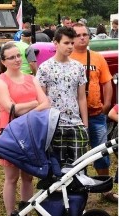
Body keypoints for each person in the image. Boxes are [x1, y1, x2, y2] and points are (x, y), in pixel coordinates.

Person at [0, 42, 50, 216]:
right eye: (11, 57)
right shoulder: (1, 81)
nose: (17, 60)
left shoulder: (31, 78)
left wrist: (28, 106)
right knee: (11, 177)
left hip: (31, 131)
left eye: (19, 55)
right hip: (10, 131)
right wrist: (34, 104)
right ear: (3, 61)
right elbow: (11, 109)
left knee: (28, 176)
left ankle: (26, 215)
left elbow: (46, 103)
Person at [70, 23, 115, 203]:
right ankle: (80, 189)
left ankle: (105, 189)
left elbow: (107, 83)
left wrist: (106, 105)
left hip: (96, 114)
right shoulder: (67, 58)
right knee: (78, 154)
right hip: (74, 117)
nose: (82, 38)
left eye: (85, 35)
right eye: (78, 35)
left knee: (101, 151)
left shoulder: (97, 58)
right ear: (71, 38)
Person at [37, 26, 88, 170]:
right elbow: (41, 99)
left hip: (76, 124)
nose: (70, 46)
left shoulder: (78, 67)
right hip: (54, 125)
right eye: (66, 43)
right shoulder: (44, 68)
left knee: (79, 169)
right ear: (56, 43)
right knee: (56, 170)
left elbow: (82, 97)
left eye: (72, 43)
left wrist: (85, 124)